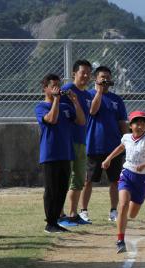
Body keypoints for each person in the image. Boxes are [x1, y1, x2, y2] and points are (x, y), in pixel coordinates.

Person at [101, 111, 145, 253]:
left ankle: (126, 218)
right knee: (123, 204)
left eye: (143, 123)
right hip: (126, 175)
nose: (139, 126)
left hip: (141, 180)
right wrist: (108, 159)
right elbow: (120, 148)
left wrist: (144, 165)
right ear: (131, 125)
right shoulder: (126, 138)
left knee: (132, 214)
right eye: (136, 123)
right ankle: (120, 240)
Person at [36, 73, 86, 233]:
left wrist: (75, 101)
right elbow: (51, 119)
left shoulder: (65, 107)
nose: (58, 88)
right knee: (51, 189)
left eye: (59, 85)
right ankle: (49, 222)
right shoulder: (41, 107)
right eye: (53, 86)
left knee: (62, 188)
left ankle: (56, 220)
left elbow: (81, 121)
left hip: (66, 153)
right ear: (45, 89)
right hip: (50, 154)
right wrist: (56, 100)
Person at [79, 65, 128, 223]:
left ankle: (114, 211)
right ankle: (83, 211)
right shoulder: (88, 96)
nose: (105, 80)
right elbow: (92, 111)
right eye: (102, 77)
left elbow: (122, 123)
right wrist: (99, 92)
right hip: (93, 145)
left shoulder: (117, 100)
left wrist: (127, 140)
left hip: (114, 147)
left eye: (108, 77)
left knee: (115, 180)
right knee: (88, 180)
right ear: (96, 79)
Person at [59, 59, 93, 227]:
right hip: (67, 141)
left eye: (88, 73)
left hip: (81, 141)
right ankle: (59, 214)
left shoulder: (87, 95)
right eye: (82, 72)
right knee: (64, 178)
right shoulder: (66, 91)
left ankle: (73, 215)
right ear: (74, 74)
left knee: (79, 178)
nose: (86, 76)